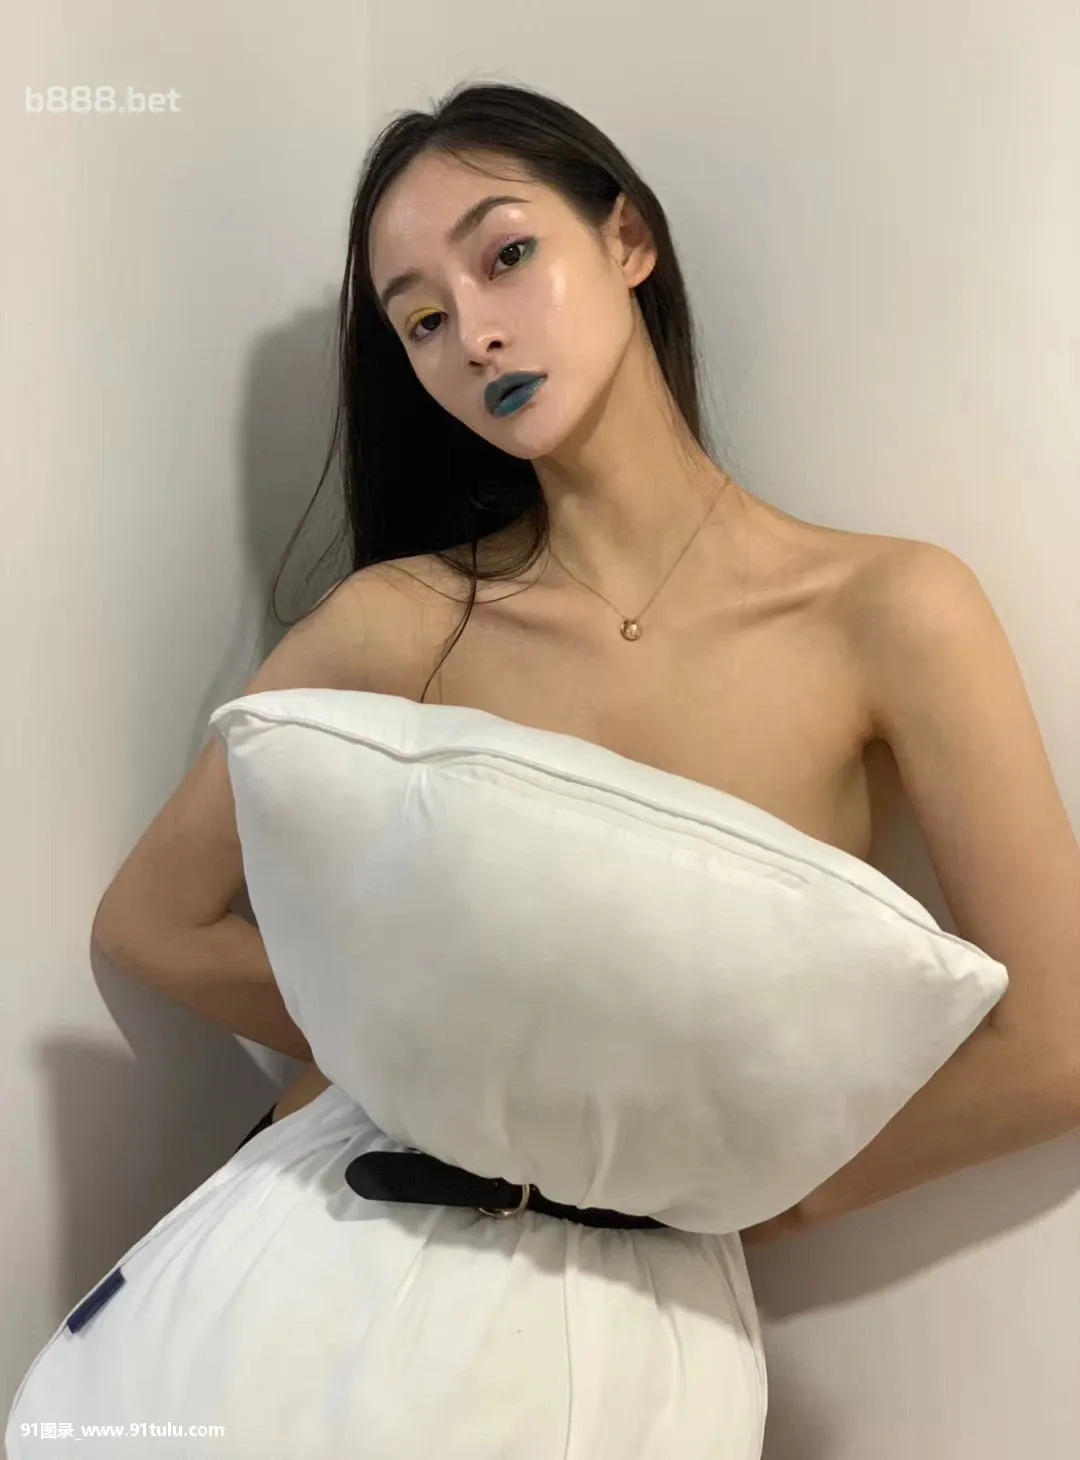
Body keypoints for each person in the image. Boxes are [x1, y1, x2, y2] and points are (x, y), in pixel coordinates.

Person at [10, 77, 1071, 1459]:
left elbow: (1057, 1043)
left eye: (506, 254)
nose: (475, 334)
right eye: (420, 321)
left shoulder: (888, 611)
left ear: (628, 239)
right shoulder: (399, 620)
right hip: (310, 1252)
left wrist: (745, 1187)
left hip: (632, 1308)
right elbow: (150, 922)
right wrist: (432, 1052)